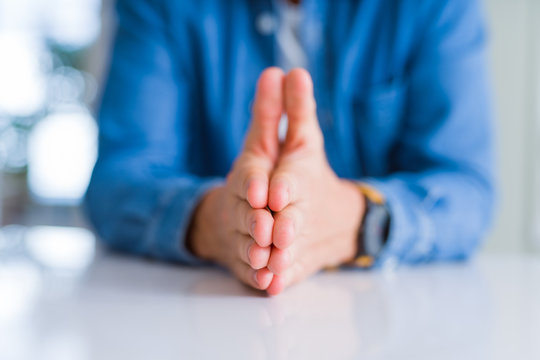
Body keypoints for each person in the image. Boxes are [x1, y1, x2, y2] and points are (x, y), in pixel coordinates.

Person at [85, 0, 496, 295]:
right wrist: (215, 221)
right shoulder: (158, 7)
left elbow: (468, 189)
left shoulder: (438, 7)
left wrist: (356, 218)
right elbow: (117, 181)